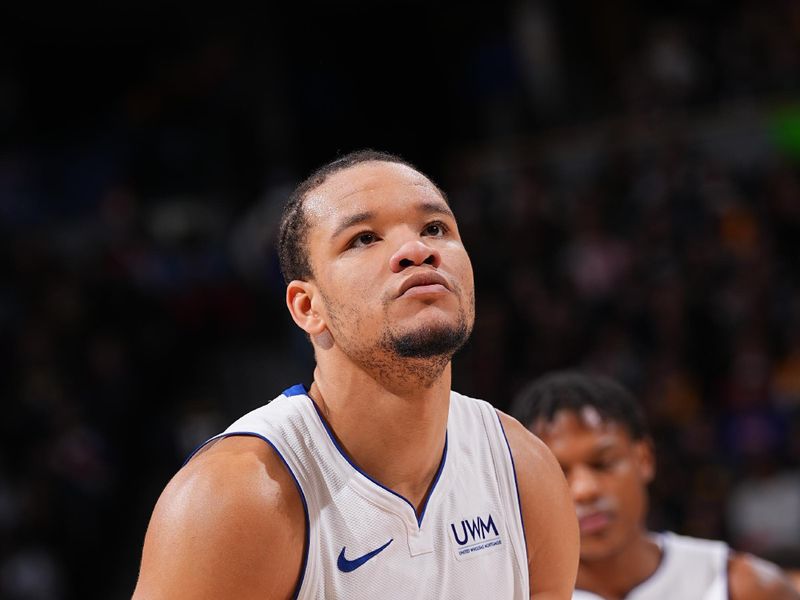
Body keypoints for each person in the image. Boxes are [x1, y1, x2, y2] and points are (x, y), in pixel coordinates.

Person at [132, 150, 579, 599]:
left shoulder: (523, 472)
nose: (416, 250)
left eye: (435, 228)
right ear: (308, 307)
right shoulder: (236, 499)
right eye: (364, 238)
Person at [511, 370, 800, 600]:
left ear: (644, 458)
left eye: (603, 464)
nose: (585, 489)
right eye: (560, 474)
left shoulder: (742, 586)